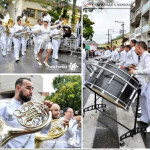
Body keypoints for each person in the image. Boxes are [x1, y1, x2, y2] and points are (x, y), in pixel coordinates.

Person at [0, 77, 53, 148]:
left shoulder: (35, 108)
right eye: (28, 88)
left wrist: (47, 113)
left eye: (32, 89)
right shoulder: (4, 106)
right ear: (18, 88)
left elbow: (45, 131)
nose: (31, 92)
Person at [129, 41, 150, 132]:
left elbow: (149, 70)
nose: (134, 49)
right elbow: (143, 68)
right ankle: (145, 118)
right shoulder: (143, 57)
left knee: (149, 104)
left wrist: (135, 72)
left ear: (140, 48)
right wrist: (136, 68)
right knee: (143, 102)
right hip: (145, 83)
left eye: (136, 48)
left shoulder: (147, 56)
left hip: (148, 83)